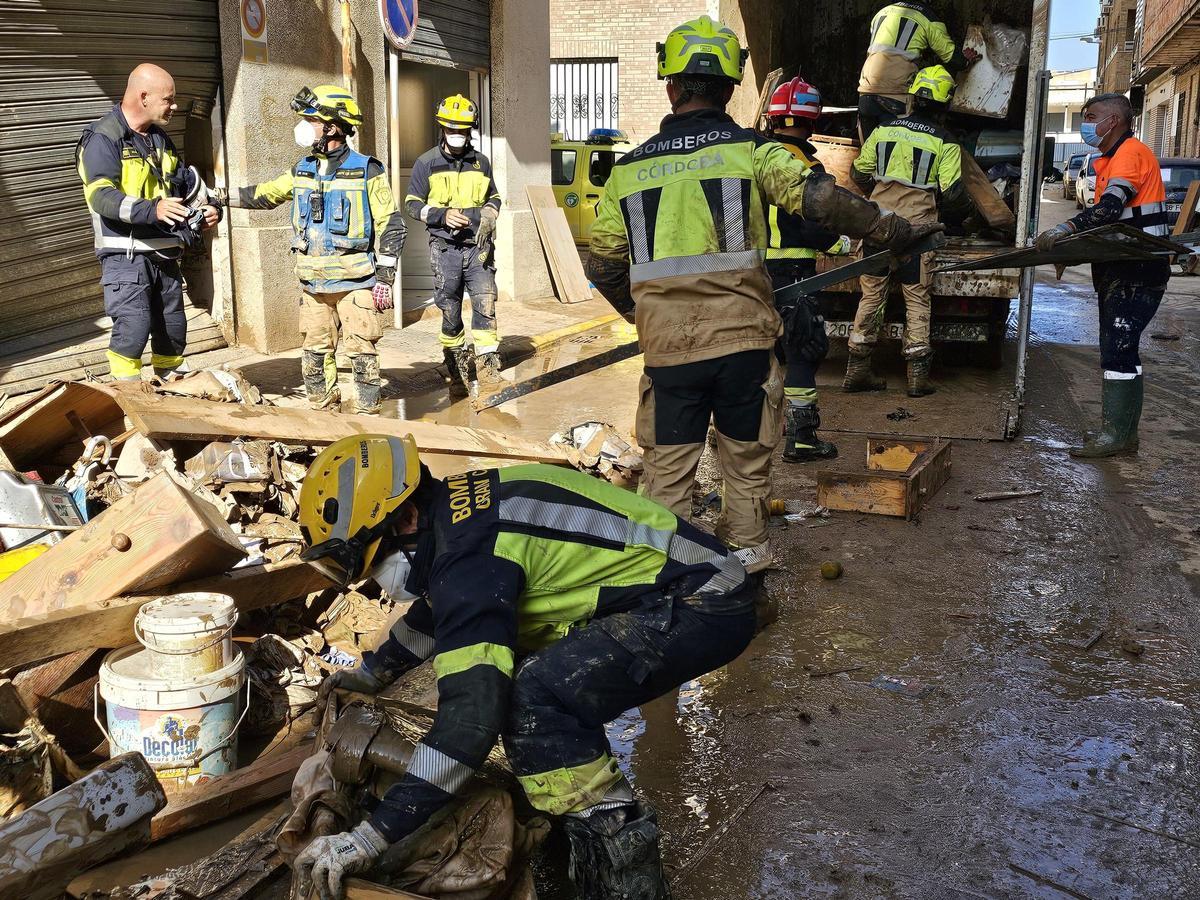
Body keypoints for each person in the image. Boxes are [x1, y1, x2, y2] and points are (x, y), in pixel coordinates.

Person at [291, 434, 760, 900]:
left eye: (377, 563)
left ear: (407, 517)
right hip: (687, 583)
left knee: (532, 699)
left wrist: (372, 835)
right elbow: (440, 612)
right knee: (536, 683)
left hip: (703, 600)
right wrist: (372, 672)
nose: (380, 583)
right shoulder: (457, 520)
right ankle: (574, 826)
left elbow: (472, 721)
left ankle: (620, 864)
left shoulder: (467, 559)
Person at [586, 16, 934, 573]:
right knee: (745, 462)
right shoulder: (753, 150)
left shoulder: (627, 172)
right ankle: (746, 560)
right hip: (742, 343)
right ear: (729, 88)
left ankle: (662, 575)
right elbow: (822, 202)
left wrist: (641, 313)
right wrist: (893, 230)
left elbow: (602, 263)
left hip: (670, 348)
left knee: (668, 469)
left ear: (670, 85)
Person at [218, 85, 405, 415]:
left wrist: (385, 279)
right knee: (315, 355)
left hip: (356, 283)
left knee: (361, 354)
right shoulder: (301, 170)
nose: (302, 126)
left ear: (332, 127)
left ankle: (370, 422)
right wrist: (215, 196)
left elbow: (391, 224)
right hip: (313, 284)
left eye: (310, 120)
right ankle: (324, 419)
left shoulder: (366, 169)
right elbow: (262, 196)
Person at [1036, 93, 1169, 458]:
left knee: (1119, 347)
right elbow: (1113, 225)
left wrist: (1065, 230)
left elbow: (1109, 211)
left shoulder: (1129, 153)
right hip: (1124, 264)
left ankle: (1117, 435)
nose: (1086, 123)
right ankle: (1122, 432)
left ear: (1114, 121)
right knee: (1118, 347)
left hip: (1137, 267)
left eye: (1092, 116)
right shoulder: (1110, 159)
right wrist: (1075, 252)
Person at [76, 63, 220, 381]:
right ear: (144, 97)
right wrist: (152, 210)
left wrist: (209, 209)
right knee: (133, 328)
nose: (174, 106)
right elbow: (101, 197)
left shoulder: (158, 138)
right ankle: (132, 402)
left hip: (164, 253)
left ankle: (175, 391)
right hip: (125, 256)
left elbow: (182, 183)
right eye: (168, 99)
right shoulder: (103, 138)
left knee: (172, 327)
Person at [845, 65, 972, 397]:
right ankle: (917, 378)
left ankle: (857, 371)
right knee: (917, 298)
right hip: (918, 229)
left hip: (879, 226)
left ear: (913, 98)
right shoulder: (945, 141)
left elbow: (858, 172)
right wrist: (967, 216)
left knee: (872, 295)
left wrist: (880, 193)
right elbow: (953, 193)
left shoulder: (884, 129)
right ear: (944, 105)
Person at [762, 77, 852, 463]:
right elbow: (809, 222)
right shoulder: (805, 166)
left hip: (754, 271)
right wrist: (839, 243)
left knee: (759, 353)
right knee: (803, 352)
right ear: (812, 120)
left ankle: (745, 434)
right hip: (796, 271)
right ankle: (801, 437)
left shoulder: (756, 158)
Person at [405, 95, 503, 392]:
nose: (457, 135)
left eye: (462, 130)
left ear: (470, 130)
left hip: (478, 248)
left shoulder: (480, 162)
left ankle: (488, 373)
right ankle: (456, 366)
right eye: (452, 130)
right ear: (442, 129)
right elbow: (411, 205)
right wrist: (441, 215)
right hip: (445, 248)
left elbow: (494, 196)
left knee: (485, 304)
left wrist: (490, 211)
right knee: (449, 308)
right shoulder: (426, 163)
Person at [857, 1, 978, 141]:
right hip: (897, 93)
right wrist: (965, 59)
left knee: (868, 151)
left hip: (866, 89)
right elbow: (951, 57)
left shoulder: (883, 12)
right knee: (900, 149)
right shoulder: (927, 18)